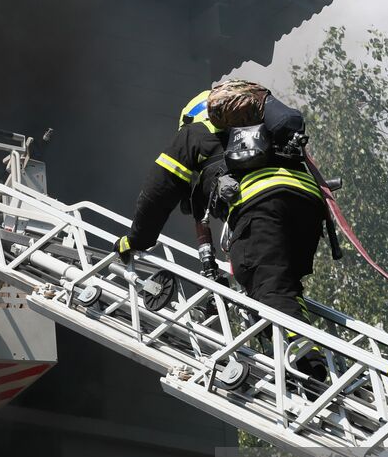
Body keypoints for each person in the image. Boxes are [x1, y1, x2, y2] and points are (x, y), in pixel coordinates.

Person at [114, 82, 329, 381]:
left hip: (262, 205)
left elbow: (157, 192)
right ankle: (300, 358)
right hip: (308, 206)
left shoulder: (193, 134)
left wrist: (136, 240)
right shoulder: (263, 134)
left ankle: (308, 366)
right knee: (280, 287)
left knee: (266, 282)